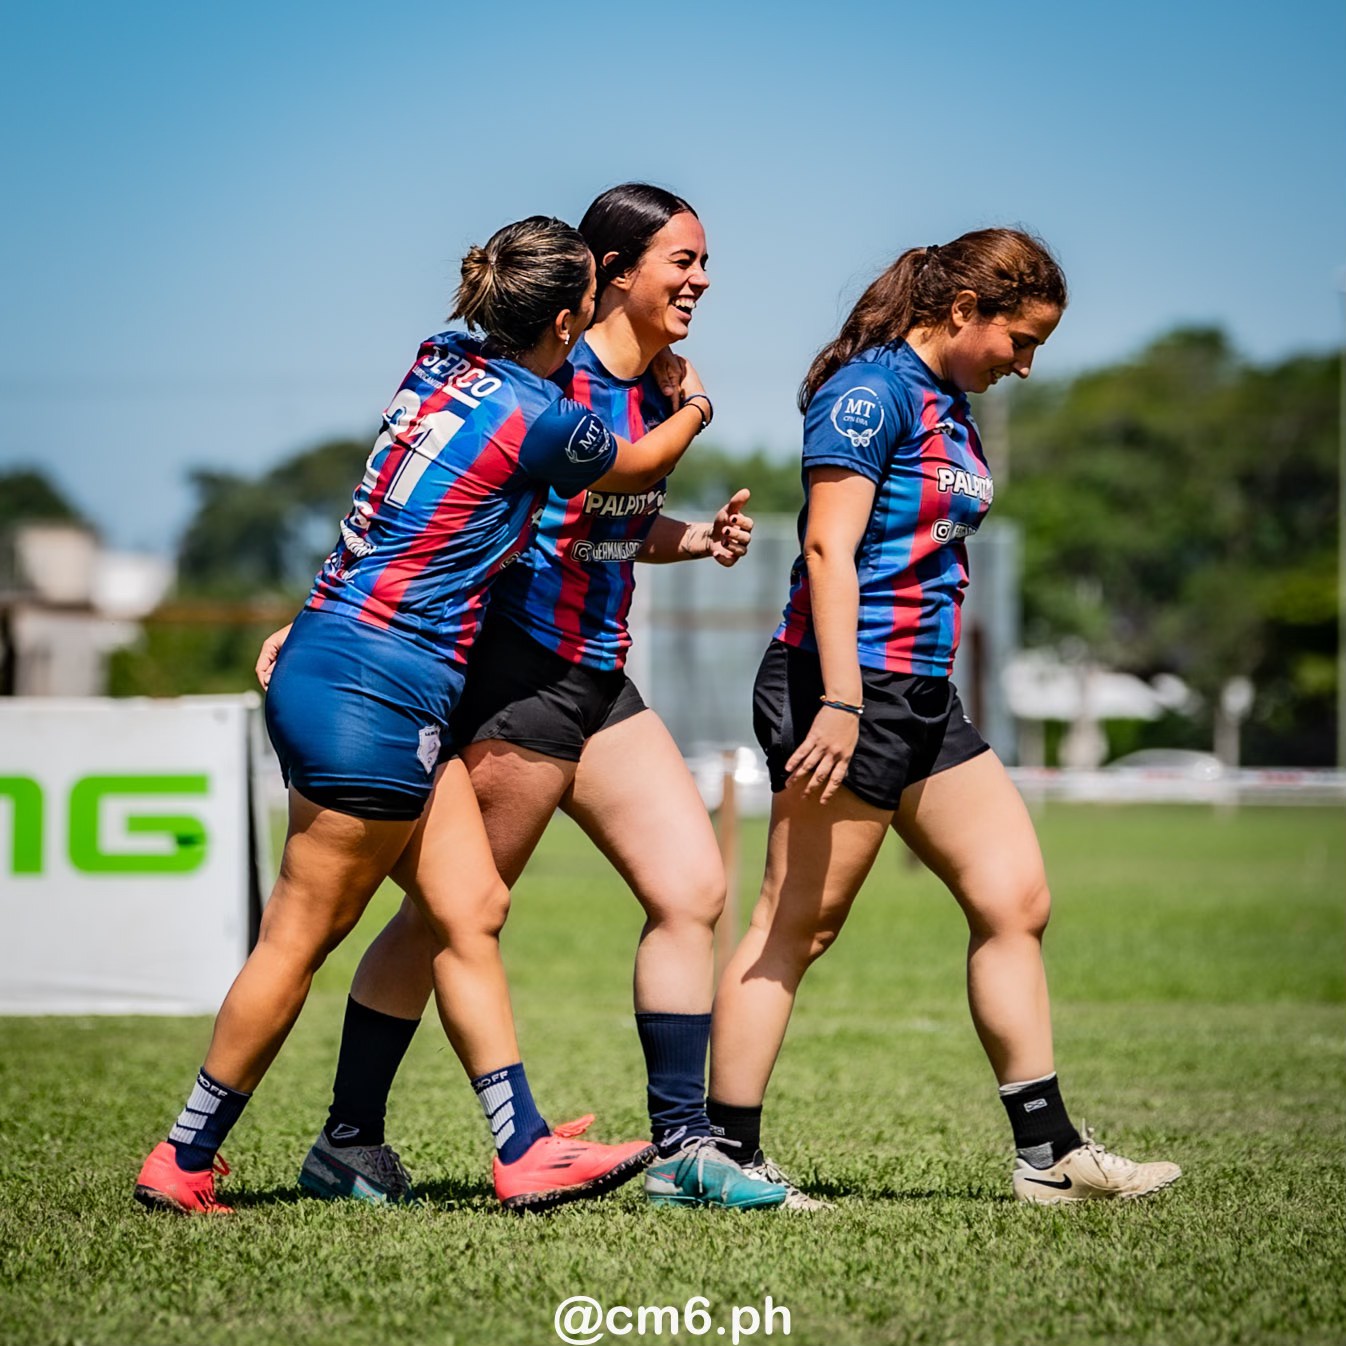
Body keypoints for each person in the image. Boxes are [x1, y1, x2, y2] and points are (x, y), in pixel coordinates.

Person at [134, 214, 715, 1216]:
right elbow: (634, 463)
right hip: (380, 684)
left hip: (335, 650)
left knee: (470, 907)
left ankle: (521, 1146)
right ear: (573, 315)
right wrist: (692, 400)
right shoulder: (550, 417)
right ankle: (184, 1154)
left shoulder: (438, 353)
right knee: (300, 935)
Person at [256, 184, 787, 1211]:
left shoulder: (644, 392)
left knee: (691, 889)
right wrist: (322, 618)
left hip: (597, 674)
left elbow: (608, 520)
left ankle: (682, 1148)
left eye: (703, 260)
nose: (701, 280)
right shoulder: (552, 375)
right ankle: (347, 1139)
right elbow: (435, 505)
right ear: (611, 273)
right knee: (446, 918)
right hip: (517, 679)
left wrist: (694, 538)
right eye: (681, 260)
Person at [705, 228, 1182, 1207]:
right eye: (1020, 338)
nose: (1025, 361)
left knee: (1013, 898)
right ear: (962, 310)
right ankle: (719, 1153)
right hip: (843, 686)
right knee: (796, 924)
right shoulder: (870, 392)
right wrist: (838, 701)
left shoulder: (947, 403)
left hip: (919, 694)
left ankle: (1046, 1152)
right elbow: (829, 551)